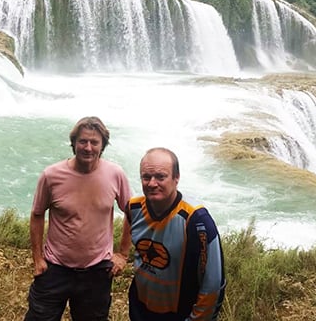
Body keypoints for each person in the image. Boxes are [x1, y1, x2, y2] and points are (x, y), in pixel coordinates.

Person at [24, 116, 133, 321]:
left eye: (94, 142)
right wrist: (38, 258)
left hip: (97, 270)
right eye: (83, 141)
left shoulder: (115, 174)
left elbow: (132, 212)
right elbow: (37, 214)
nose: (88, 147)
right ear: (74, 143)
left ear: (103, 146)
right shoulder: (51, 175)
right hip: (55, 267)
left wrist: (123, 254)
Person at [127, 147, 226, 320]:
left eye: (160, 176)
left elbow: (213, 283)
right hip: (141, 309)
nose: (152, 183)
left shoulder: (197, 221)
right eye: (146, 177)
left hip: (180, 314)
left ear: (176, 178)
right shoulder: (134, 208)